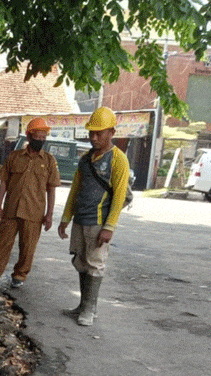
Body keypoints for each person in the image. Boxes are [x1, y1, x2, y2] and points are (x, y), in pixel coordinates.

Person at [57, 107, 129, 326]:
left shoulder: (119, 159)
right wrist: (66, 217)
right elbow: (75, 189)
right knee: (80, 261)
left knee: (95, 264)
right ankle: (82, 305)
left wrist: (110, 227)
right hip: (81, 218)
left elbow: (119, 197)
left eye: (99, 133)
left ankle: (90, 309)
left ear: (112, 133)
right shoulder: (86, 159)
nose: (93, 138)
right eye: (91, 133)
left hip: (99, 223)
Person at [0, 118, 60, 289]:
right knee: (1, 244)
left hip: (34, 212)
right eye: (38, 137)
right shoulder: (14, 157)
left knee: (28, 247)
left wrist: (49, 214)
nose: (41, 141)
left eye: (43, 138)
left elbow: (52, 189)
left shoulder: (49, 161)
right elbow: (3, 183)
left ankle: (20, 275)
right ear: (29, 137)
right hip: (11, 210)